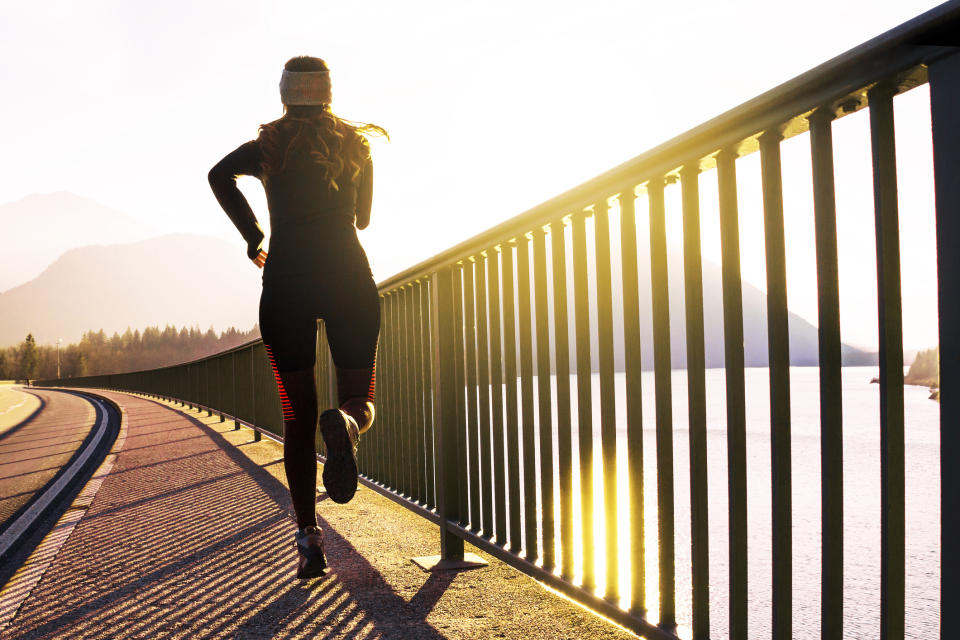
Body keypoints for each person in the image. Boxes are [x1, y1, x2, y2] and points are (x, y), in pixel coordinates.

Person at [208, 55, 386, 579]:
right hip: (349, 279)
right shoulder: (357, 145)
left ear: (285, 95)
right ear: (329, 94)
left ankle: (308, 538)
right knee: (361, 397)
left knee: (297, 418)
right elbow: (365, 219)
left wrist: (254, 236)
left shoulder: (267, 146)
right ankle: (349, 424)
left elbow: (219, 176)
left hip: (284, 284)